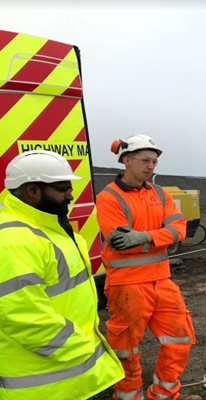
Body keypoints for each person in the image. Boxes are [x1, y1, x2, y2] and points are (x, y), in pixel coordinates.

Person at [0, 150, 124, 400]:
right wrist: (82, 348)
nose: (70, 194)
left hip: (64, 376)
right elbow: (23, 317)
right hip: (41, 385)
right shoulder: (12, 240)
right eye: (61, 188)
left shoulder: (50, 227)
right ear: (31, 191)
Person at [96, 134, 196, 400]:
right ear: (126, 161)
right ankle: (128, 395)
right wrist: (162, 237)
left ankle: (163, 394)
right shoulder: (108, 197)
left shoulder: (160, 193)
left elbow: (180, 228)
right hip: (127, 284)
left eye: (154, 161)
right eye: (145, 160)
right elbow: (120, 242)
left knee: (180, 339)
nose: (151, 166)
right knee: (126, 349)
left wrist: (146, 237)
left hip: (162, 280)